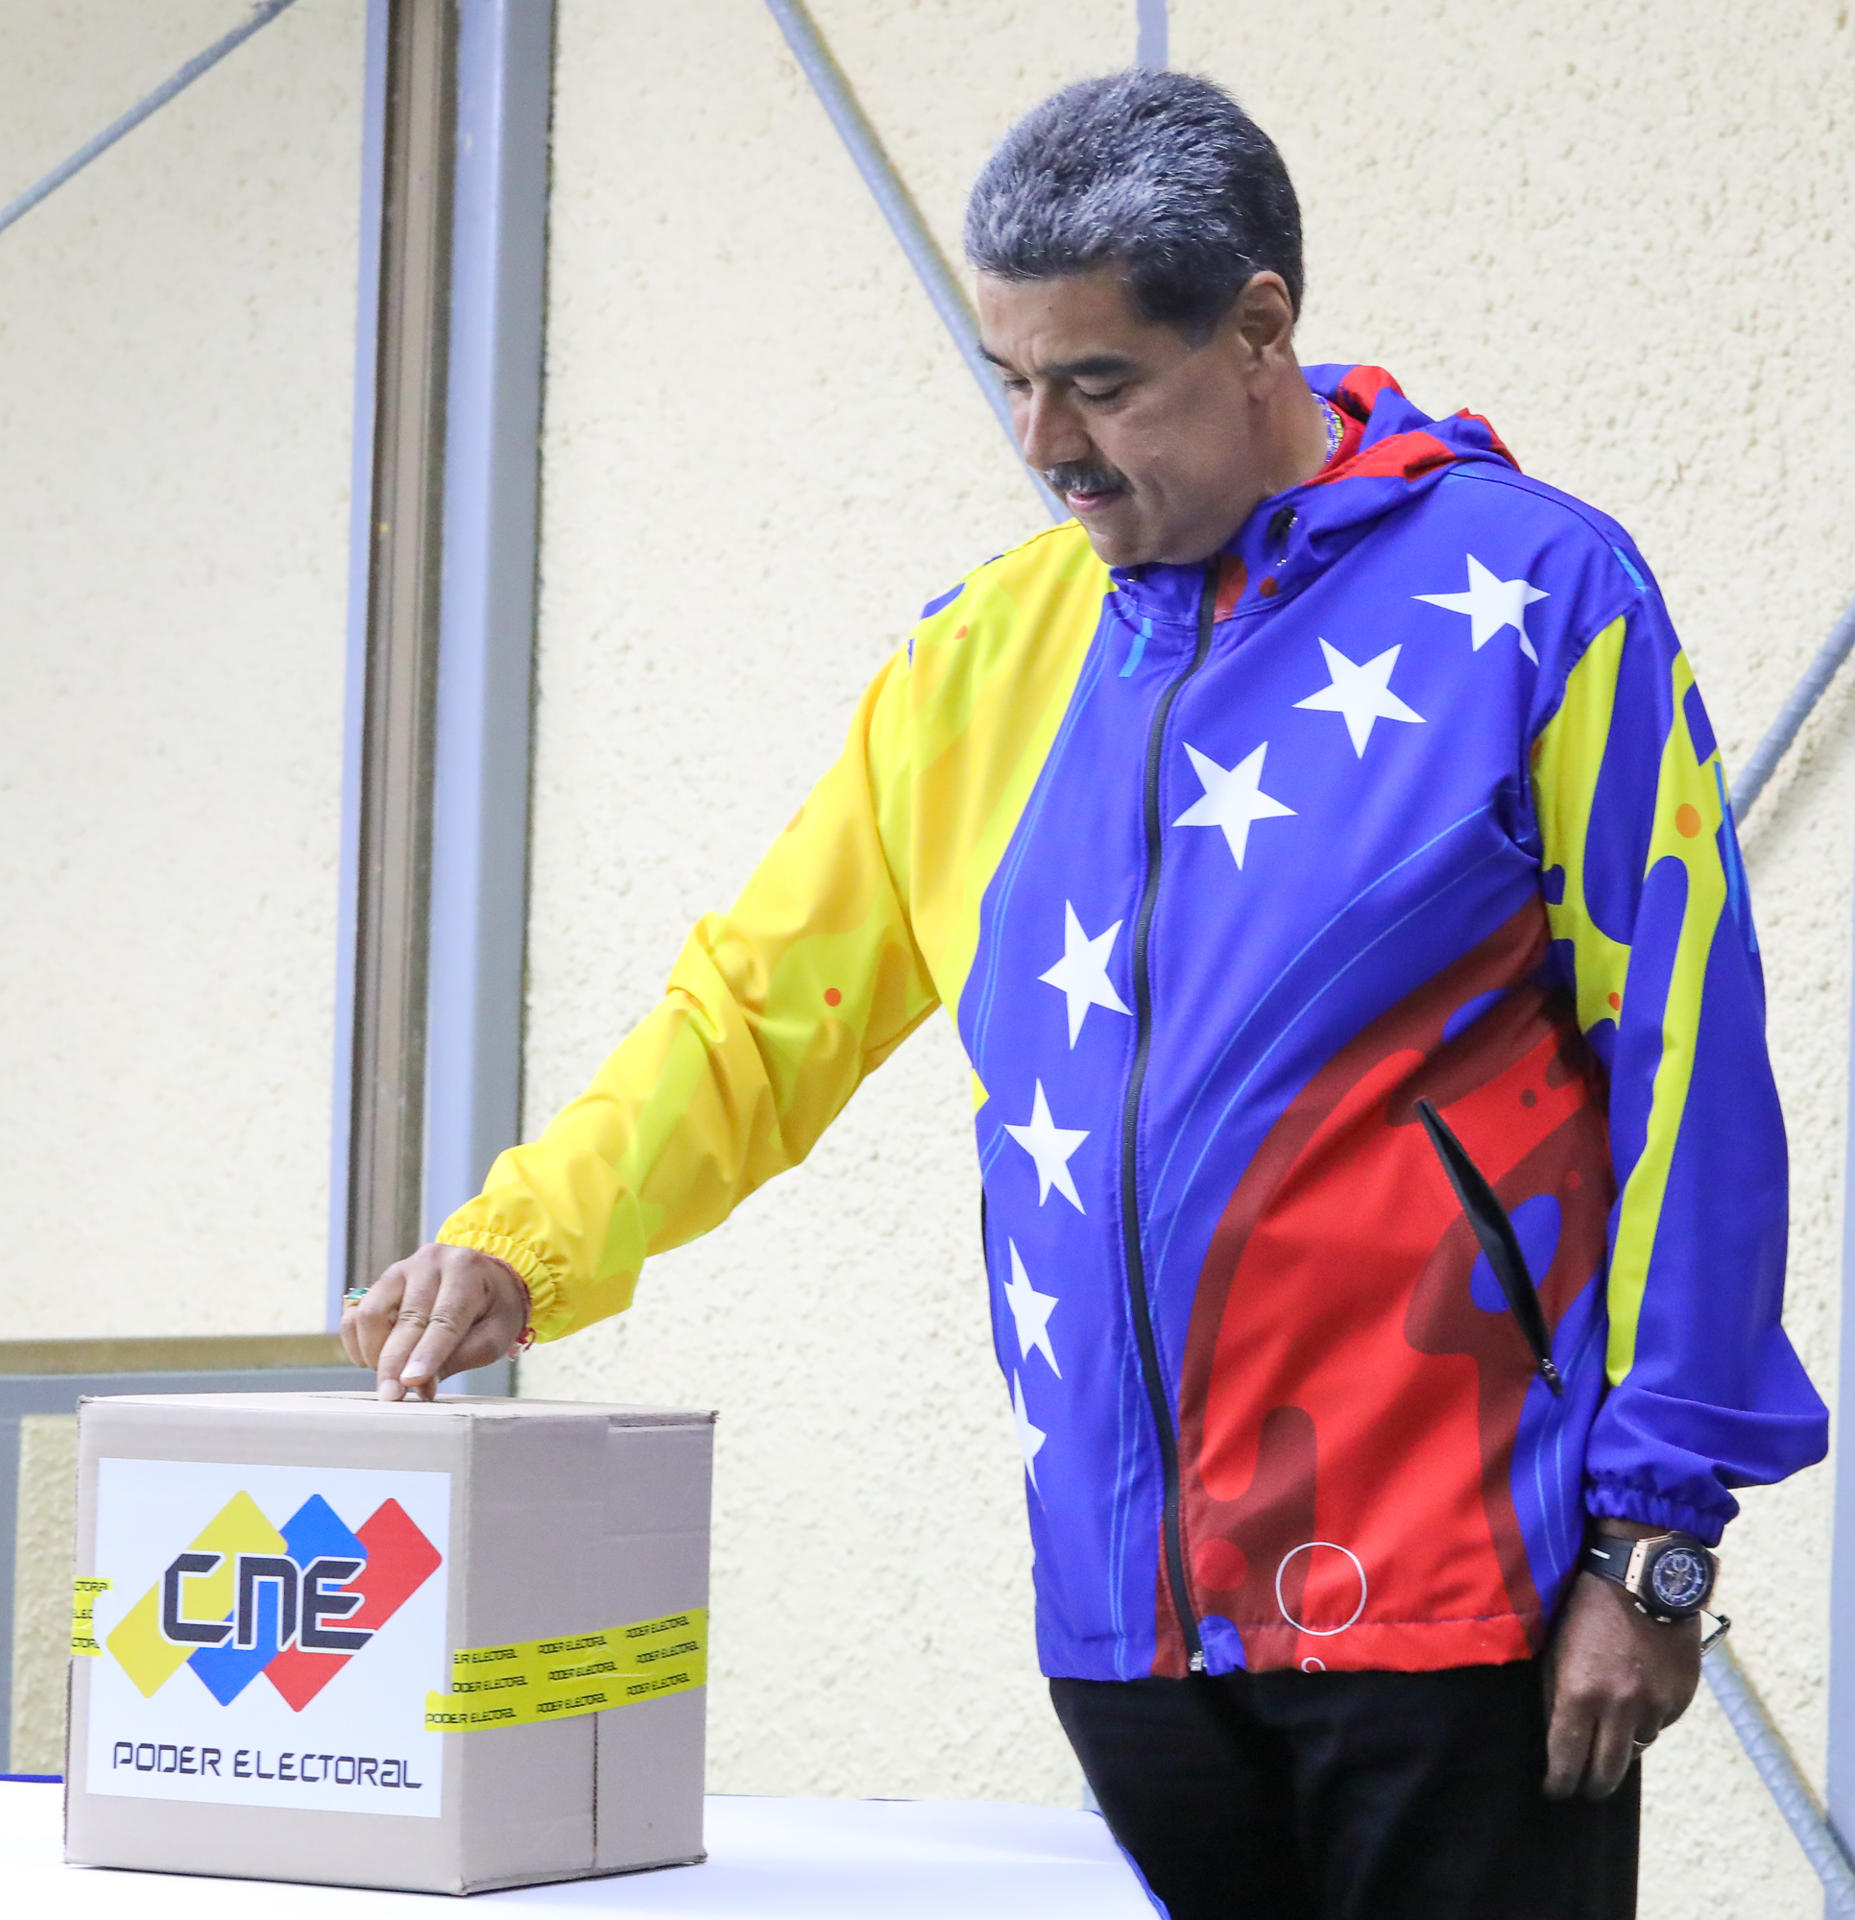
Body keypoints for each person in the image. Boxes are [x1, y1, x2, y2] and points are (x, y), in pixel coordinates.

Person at [341, 71, 1828, 1919]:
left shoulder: (1535, 594)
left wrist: (1656, 1535)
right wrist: (522, 1243)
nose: (1044, 438)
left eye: (1102, 381)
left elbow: (1692, 1071)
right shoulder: (978, 662)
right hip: (1125, 1629)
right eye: (1010, 380)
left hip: (1465, 1614)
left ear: (1262, 325)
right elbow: (752, 1018)